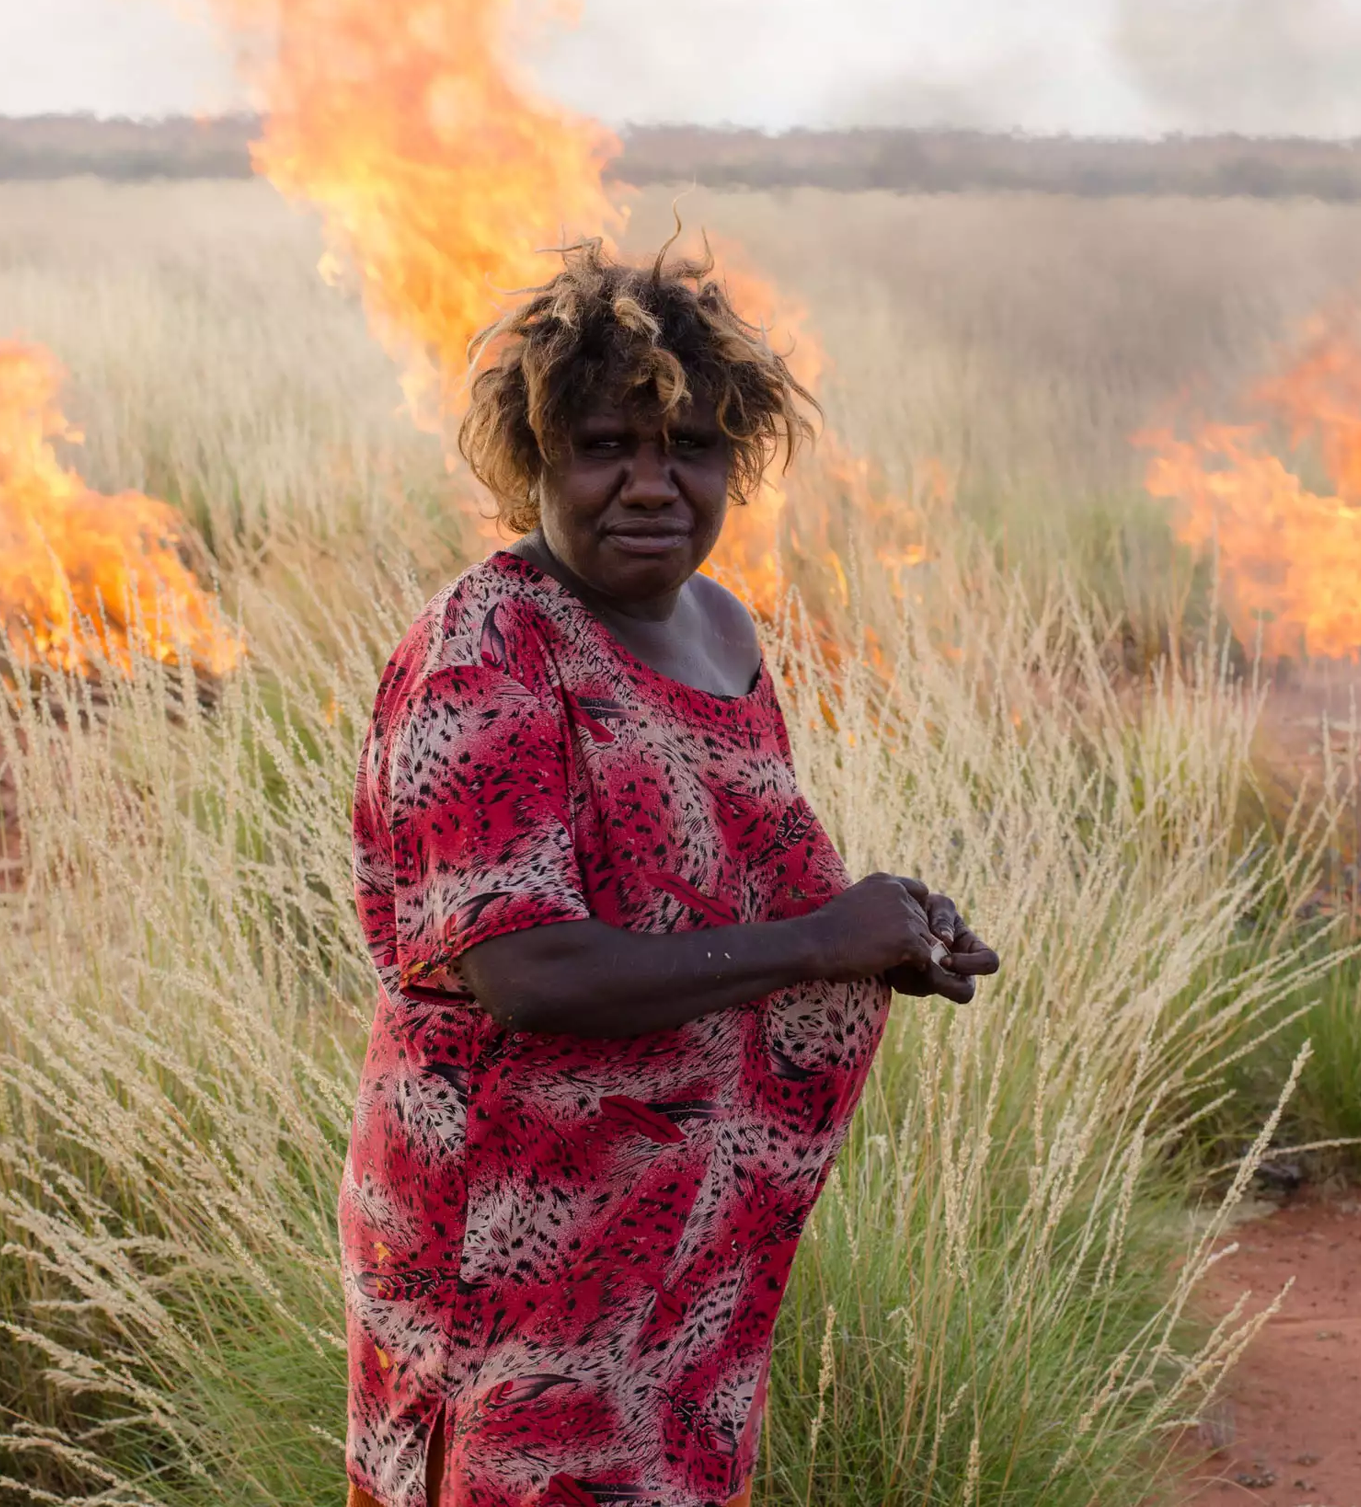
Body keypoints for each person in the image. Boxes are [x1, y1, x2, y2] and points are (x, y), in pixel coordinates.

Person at [341, 239, 998, 1507]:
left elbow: (726, 899)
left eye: (690, 449)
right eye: (603, 448)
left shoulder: (721, 625)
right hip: (512, 1230)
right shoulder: (489, 653)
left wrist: (887, 938)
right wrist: (819, 947)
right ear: (535, 461)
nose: (651, 486)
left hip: (680, 1232)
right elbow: (527, 971)